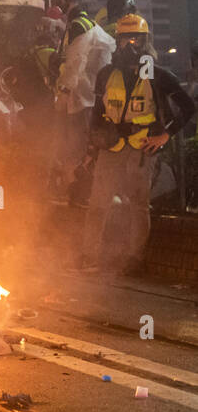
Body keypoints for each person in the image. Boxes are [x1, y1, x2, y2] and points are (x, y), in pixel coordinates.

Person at [83, 15, 196, 273]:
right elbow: (96, 114)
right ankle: (89, 257)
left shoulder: (157, 76)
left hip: (141, 148)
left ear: (146, 43)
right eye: (124, 39)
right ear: (117, 41)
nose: (130, 44)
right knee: (98, 204)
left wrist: (165, 135)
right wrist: (91, 147)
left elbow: (188, 108)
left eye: (136, 39)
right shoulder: (106, 74)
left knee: (137, 206)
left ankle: (134, 260)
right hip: (110, 147)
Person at [50, 0, 113, 205]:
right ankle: (79, 194)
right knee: (78, 150)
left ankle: (79, 196)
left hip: (81, 100)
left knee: (76, 151)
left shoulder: (78, 25)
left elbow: (75, 65)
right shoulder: (83, 23)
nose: (55, 0)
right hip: (86, 98)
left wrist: (63, 94)